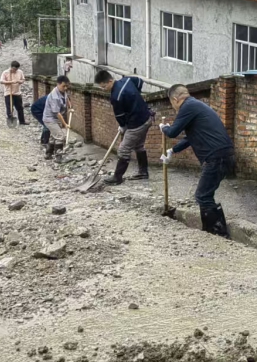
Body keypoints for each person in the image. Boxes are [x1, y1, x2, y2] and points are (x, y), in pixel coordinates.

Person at [160, 84, 235, 238]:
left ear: (175, 99)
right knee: (205, 194)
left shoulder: (188, 106)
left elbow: (173, 132)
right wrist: (172, 151)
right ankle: (211, 230)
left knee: (202, 195)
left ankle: (218, 233)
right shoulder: (196, 106)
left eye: (172, 103)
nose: (173, 107)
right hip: (222, 156)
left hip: (216, 158)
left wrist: (164, 128)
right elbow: (190, 138)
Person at [94, 69, 152, 185]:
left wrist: (122, 126)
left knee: (123, 149)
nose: (103, 89)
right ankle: (143, 172)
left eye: (104, 86)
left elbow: (120, 116)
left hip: (136, 124)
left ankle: (117, 177)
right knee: (139, 145)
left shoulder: (116, 96)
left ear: (110, 81)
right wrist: (136, 98)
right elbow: (139, 82)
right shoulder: (127, 80)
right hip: (147, 117)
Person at [42, 75, 71, 159]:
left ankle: (48, 154)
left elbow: (67, 98)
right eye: (63, 86)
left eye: (66, 86)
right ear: (58, 84)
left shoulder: (63, 91)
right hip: (50, 119)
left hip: (55, 118)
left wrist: (70, 106)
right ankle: (58, 156)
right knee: (60, 136)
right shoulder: (54, 96)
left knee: (53, 136)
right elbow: (57, 113)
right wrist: (65, 124)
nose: (65, 88)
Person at [0, 60, 27, 125]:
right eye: (14, 69)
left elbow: (23, 80)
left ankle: (22, 121)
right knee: (9, 108)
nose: (15, 70)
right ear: (11, 67)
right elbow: (1, 81)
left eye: (16, 69)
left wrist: (19, 81)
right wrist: (11, 82)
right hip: (8, 93)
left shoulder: (20, 72)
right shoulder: (5, 72)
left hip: (17, 93)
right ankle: (11, 122)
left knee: (20, 108)